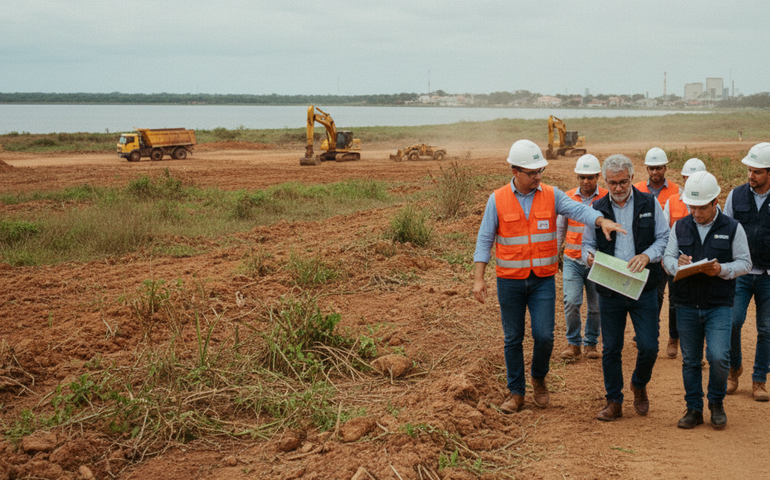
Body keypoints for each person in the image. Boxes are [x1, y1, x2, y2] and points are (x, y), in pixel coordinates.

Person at [473, 140, 626, 414]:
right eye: (532, 173)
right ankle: (516, 392)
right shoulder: (497, 199)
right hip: (509, 281)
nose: (538, 177)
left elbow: (578, 209)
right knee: (513, 338)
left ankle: (539, 377)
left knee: (544, 336)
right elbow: (485, 238)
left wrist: (600, 220)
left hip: (542, 279)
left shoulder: (552, 195)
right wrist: (478, 278)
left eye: (540, 171)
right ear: (515, 171)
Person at [582, 154, 670, 421]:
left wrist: (647, 256)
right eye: (612, 183)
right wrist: (589, 255)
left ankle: (639, 383)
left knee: (649, 346)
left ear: (632, 178)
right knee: (611, 347)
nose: (618, 188)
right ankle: (614, 401)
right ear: (605, 181)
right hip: (610, 288)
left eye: (622, 182)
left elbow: (664, 238)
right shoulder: (596, 209)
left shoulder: (649, 203)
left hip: (643, 287)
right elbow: (586, 244)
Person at [662, 172, 752, 429]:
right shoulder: (679, 227)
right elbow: (667, 259)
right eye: (692, 206)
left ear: (715, 202)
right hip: (687, 304)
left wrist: (721, 270)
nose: (696, 212)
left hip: (718, 305)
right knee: (690, 360)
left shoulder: (733, 228)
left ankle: (716, 403)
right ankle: (693, 408)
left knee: (718, 357)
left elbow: (745, 263)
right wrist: (676, 264)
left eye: (702, 207)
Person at [723, 142, 770, 402]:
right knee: (732, 322)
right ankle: (734, 369)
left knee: (767, 329)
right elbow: (726, 230)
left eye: (758, 172)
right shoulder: (735, 195)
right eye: (750, 171)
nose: (751, 176)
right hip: (740, 273)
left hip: (768, 276)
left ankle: (759, 380)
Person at [556, 154, 608, 360]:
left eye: (590, 177)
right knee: (571, 301)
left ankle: (591, 344)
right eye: (581, 177)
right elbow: (561, 228)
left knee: (596, 306)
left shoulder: (606, 197)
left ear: (597, 177)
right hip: (572, 259)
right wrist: (555, 253)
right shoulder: (566, 197)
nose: (585, 181)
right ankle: (573, 343)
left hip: (597, 261)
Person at [635, 147, 682, 358]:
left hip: (670, 252)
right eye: (652, 168)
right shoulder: (636, 189)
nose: (655, 172)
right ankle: (648, 333)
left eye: (659, 168)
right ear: (646, 168)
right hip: (645, 253)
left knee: (674, 298)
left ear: (666, 168)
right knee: (651, 296)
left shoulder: (676, 191)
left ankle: (674, 337)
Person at [661, 158, 707, 358]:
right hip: (678, 263)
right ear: (683, 178)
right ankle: (674, 337)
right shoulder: (672, 201)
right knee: (675, 301)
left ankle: (698, 348)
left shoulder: (713, 204)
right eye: (689, 178)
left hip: (703, 264)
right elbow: (663, 232)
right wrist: (668, 260)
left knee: (703, 303)